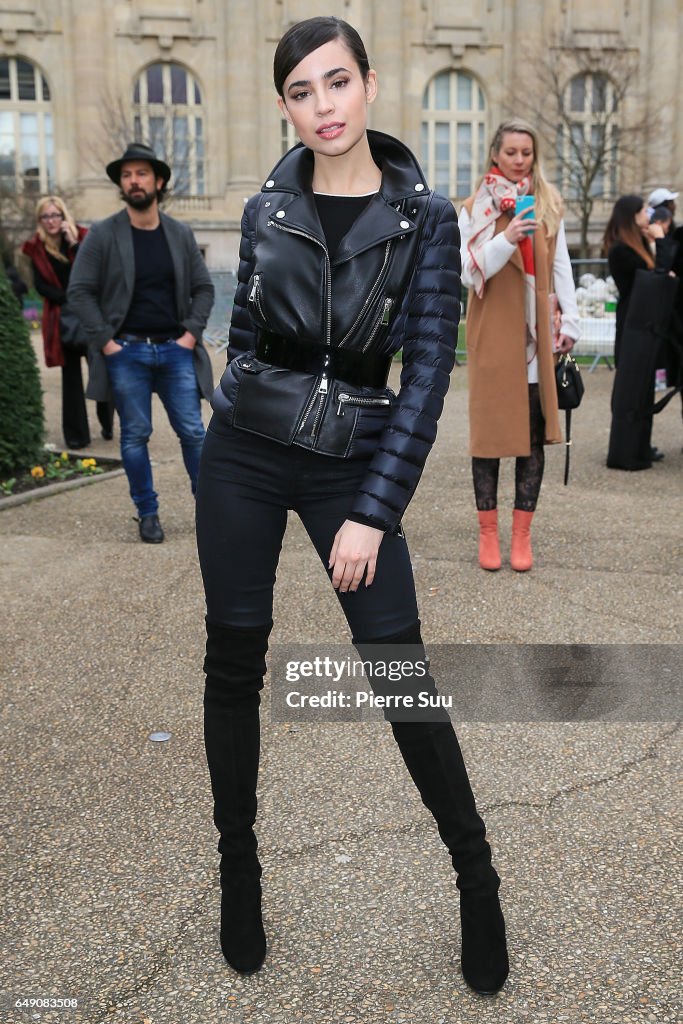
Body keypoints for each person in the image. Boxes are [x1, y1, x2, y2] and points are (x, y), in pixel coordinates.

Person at [195, 16, 508, 995]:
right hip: (243, 455)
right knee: (232, 658)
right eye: (300, 90)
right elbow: (243, 332)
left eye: (336, 83)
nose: (321, 106)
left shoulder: (423, 221)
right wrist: (234, 408)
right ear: (283, 104)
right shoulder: (264, 208)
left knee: (398, 672)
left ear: (370, 84)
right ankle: (237, 869)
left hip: (349, 467)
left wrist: (372, 509)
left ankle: (474, 872)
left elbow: (420, 383)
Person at [67, 142, 215, 543]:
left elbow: (203, 288)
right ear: (121, 183)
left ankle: (211, 513)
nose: (134, 181)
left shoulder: (179, 234)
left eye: (142, 173)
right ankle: (147, 513)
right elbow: (79, 291)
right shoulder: (103, 234)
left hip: (174, 349)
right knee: (135, 435)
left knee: (194, 433)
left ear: (158, 181)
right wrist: (107, 342)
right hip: (126, 351)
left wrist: (190, 334)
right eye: (127, 175)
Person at [458, 119, 580, 572]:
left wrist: (571, 319)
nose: (519, 160)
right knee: (489, 438)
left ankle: (521, 536)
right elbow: (469, 274)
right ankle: (488, 533)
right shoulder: (474, 208)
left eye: (526, 152)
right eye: (511, 152)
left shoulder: (546, 205)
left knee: (531, 440)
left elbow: (562, 265)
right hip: (493, 334)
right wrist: (506, 240)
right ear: (495, 155)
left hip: (536, 335)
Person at [22, 196, 114, 450]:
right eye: (46, 216)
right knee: (70, 377)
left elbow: (92, 273)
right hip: (62, 319)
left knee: (101, 371)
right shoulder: (36, 247)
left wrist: (74, 245)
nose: (51, 221)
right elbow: (40, 284)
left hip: (90, 317)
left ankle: (107, 423)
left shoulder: (83, 237)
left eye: (55, 215)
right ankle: (76, 436)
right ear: (40, 220)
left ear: (64, 217)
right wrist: (68, 298)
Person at [603, 194, 675, 470]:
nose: (649, 214)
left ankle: (642, 446)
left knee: (644, 390)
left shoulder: (637, 245)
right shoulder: (621, 249)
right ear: (631, 215)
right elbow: (652, 277)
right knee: (631, 390)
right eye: (644, 210)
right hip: (633, 324)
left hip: (645, 324)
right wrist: (659, 241)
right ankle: (628, 450)